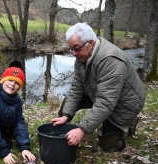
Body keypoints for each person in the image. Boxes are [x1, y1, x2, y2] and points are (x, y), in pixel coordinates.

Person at [51, 22, 146, 152]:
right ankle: (65, 124)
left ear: (90, 42)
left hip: (125, 103)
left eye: (76, 48)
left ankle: (129, 123)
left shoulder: (110, 60)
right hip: (102, 94)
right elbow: (77, 88)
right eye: (71, 49)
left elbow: (106, 102)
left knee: (109, 146)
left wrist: (82, 129)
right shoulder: (81, 57)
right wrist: (66, 115)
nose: (73, 53)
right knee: (69, 102)